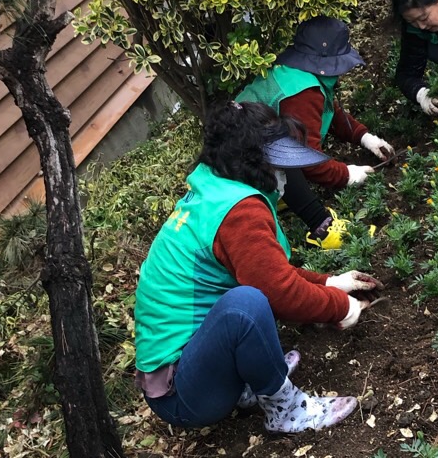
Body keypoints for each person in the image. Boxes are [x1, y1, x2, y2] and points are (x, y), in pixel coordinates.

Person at [134, 101, 378, 434]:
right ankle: (288, 410)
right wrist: (341, 307)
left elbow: (270, 272)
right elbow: (278, 291)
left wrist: (331, 282)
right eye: (278, 165)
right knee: (246, 304)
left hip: (192, 368)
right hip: (185, 397)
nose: (284, 176)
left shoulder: (214, 190)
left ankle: (252, 380)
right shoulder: (239, 212)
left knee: (246, 297)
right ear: (253, 162)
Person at [237, 16, 395, 248]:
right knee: (282, 153)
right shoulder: (302, 92)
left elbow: (330, 112)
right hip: (243, 164)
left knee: (280, 149)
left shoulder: (299, 74)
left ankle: (278, 195)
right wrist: (345, 175)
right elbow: (307, 158)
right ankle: (322, 227)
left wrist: (365, 137)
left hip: (241, 156)